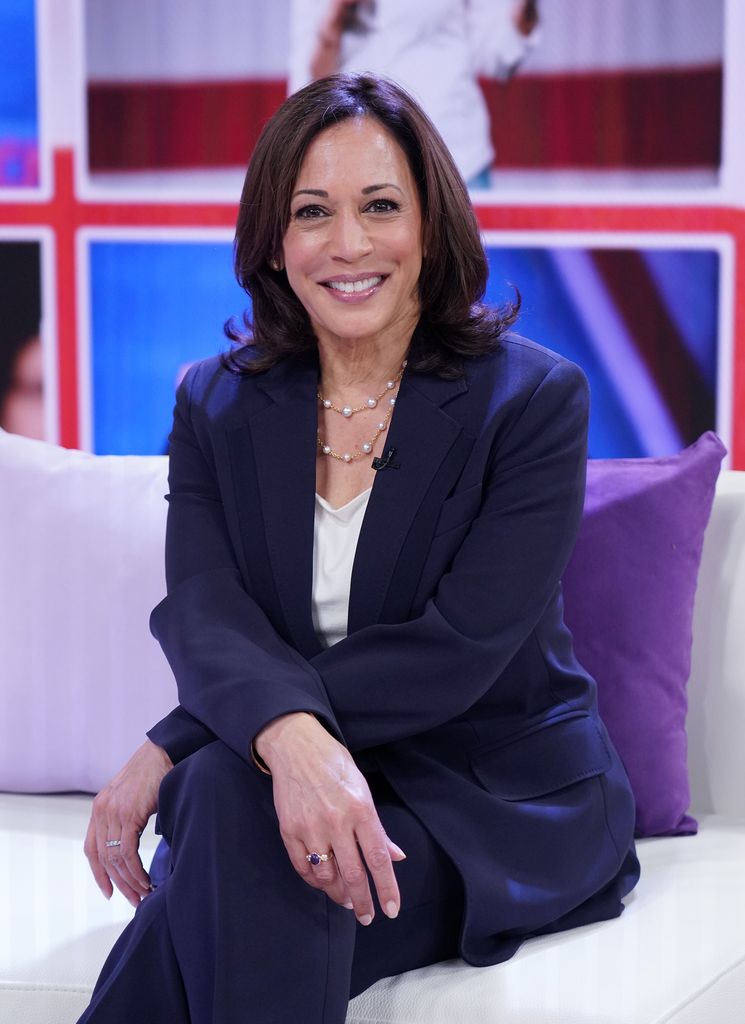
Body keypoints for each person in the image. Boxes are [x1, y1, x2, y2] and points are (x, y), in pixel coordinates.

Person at [77, 74, 639, 1023]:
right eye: (312, 213)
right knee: (225, 805)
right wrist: (284, 745)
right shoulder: (214, 402)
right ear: (274, 238)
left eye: (380, 206)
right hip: (292, 792)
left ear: (430, 223)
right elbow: (206, 605)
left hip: (489, 799)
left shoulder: (534, 402)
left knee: (217, 800)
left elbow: (458, 644)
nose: (348, 245)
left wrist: (193, 736)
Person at [289, 0, 540, 187]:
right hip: (359, 164)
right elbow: (309, 89)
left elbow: (502, 53)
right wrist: (336, 14)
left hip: (454, 157)